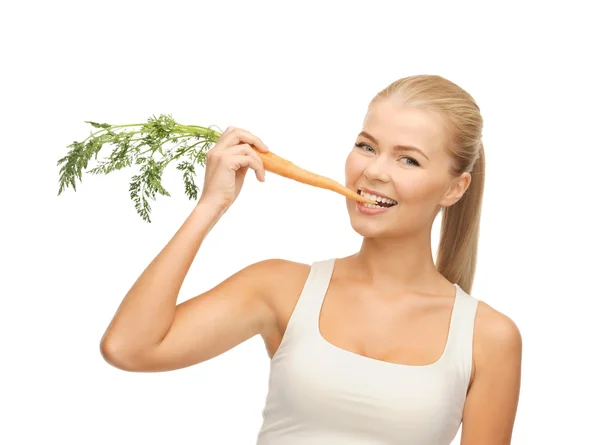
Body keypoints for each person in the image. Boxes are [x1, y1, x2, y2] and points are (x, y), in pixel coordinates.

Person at [99, 74, 522, 444]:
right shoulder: (279, 288)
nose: (374, 171)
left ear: (454, 188)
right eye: (366, 146)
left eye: (408, 159)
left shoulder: (487, 338)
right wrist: (211, 205)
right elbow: (128, 348)